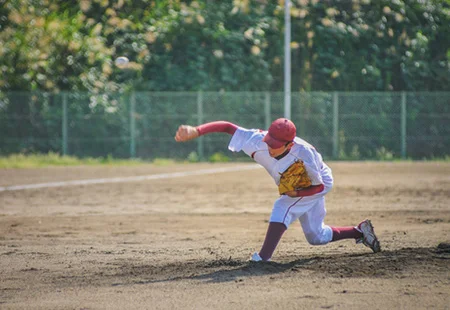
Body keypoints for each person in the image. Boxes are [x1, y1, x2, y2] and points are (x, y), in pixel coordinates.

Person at [174, 118, 381, 262]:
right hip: (302, 187)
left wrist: (297, 193)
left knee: (283, 206)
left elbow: (318, 186)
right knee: (316, 237)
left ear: (289, 145)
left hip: (317, 184)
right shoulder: (257, 140)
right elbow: (228, 127)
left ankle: (262, 258)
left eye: (276, 144)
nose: (270, 147)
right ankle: (359, 231)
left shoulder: (304, 153)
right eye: (269, 141)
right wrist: (196, 130)